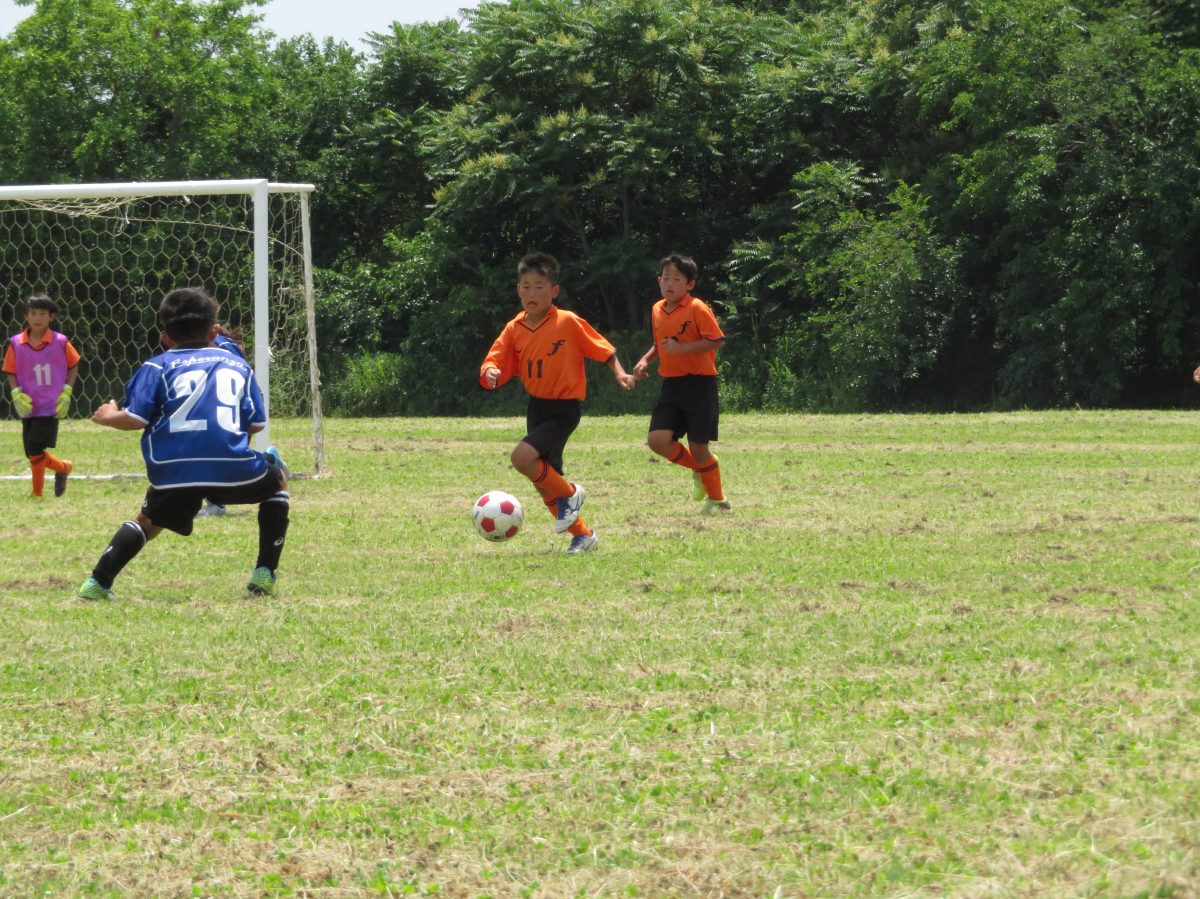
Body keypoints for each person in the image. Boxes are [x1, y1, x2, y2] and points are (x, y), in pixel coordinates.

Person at [77, 287, 290, 601]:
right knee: (277, 480)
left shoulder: (156, 366)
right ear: (214, 331)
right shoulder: (237, 365)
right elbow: (256, 424)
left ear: (165, 338)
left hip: (173, 470)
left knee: (148, 521)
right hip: (232, 467)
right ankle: (264, 573)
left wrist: (108, 416)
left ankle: (97, 584)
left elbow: (135, 418)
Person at [480, 252, 635, 553]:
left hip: (564, 408)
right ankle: (584, 536)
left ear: (554, 291)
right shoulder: (515, 327)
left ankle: (572, 493)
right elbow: (495, 357)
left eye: (539, 287)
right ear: (518, 290)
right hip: (536, 407)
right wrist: (490, 371)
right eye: (526, 286)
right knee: (544, 482)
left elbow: (603, 349)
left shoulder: (567, 322)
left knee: (522, 459)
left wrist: (619, 373)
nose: (532, 293)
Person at [633, 253, 731, 513]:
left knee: (699, 447)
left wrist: (682, 349)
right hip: (672, 385)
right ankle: (701, 470)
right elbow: (659, 345)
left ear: (690, 284)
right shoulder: (657, 309)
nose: (670, 283)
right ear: (659, 281)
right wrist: (644, 361)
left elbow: (717, 340)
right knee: (657, 440)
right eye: (666, 278)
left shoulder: (697, 308)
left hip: (700, 384)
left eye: (677, 279)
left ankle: (718, 501)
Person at [4, 294, 79, 498]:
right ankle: (63, 467)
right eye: (33, 313)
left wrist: (67, 391)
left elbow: (73, 365)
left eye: (43, 313)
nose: (37, 317)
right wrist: (16, 393)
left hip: (50, 405)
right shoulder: (16, 343)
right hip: (28, 406)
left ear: (51, 317)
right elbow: (10, 371)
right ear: (26, 316)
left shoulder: (60, 342)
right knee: (31, 452)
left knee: (35, 448)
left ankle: (37, 494)